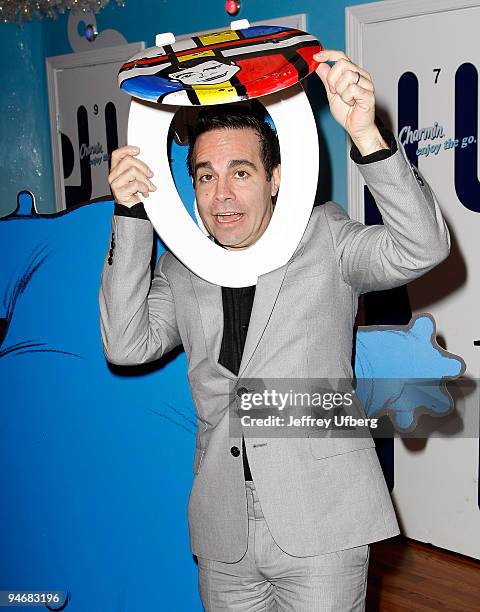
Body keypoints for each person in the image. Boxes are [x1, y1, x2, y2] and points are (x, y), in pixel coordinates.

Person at [99, 50, 450, 611]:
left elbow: (423, 246)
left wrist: (366, 133)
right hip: (223, 531)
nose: (222, 196)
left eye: (241, 173)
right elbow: (125, 343)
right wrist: (132, 216)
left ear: (276, 179)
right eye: (206, 176)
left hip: (323, 520)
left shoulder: (325, 235)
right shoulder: (183, 264)